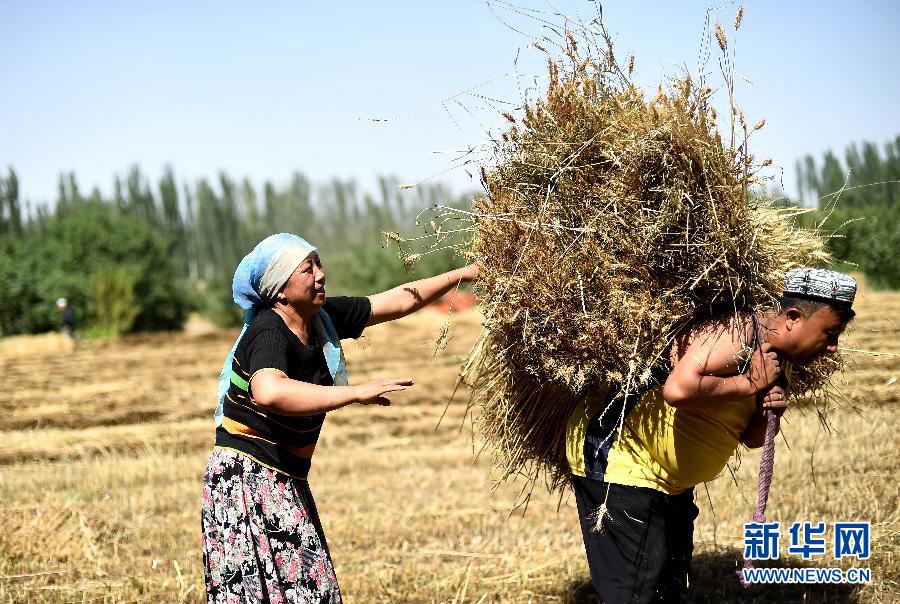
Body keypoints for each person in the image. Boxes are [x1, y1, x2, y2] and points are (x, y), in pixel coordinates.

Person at [201, 233, 478, 603]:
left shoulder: (322, 318)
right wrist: (354, 392)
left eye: (319, 263)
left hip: (283, 474)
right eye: (307, 268)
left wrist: (465, 273)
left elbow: (396, 301)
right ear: (280, 290)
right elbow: (269, 390)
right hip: (247, 479)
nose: (320, 274)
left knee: (308, 590)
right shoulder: (269, 330)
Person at [565, 267, 857, 603]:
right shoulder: (740, 331)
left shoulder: (780, 362)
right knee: (634, 594)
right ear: (792, 317)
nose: (834, 346)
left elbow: (750, 438)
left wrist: (770, 409)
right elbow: (678, 388)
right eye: (830, 332)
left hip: (668, 483)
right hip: (622, 462)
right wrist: (747, 384)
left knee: (668, 591)